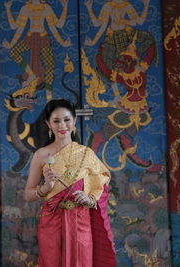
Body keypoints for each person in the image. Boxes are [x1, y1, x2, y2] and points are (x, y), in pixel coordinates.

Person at [24, 99, 116, 266]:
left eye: (66, 119)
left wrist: (89, 199)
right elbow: (28, 195)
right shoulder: (41, 155)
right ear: (48, 124)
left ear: (74, 121)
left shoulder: (86, 154)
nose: (62, 125)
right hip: (51, 222)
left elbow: (101, 183)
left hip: (80, 221)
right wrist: (46, 188)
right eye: (56, 121)